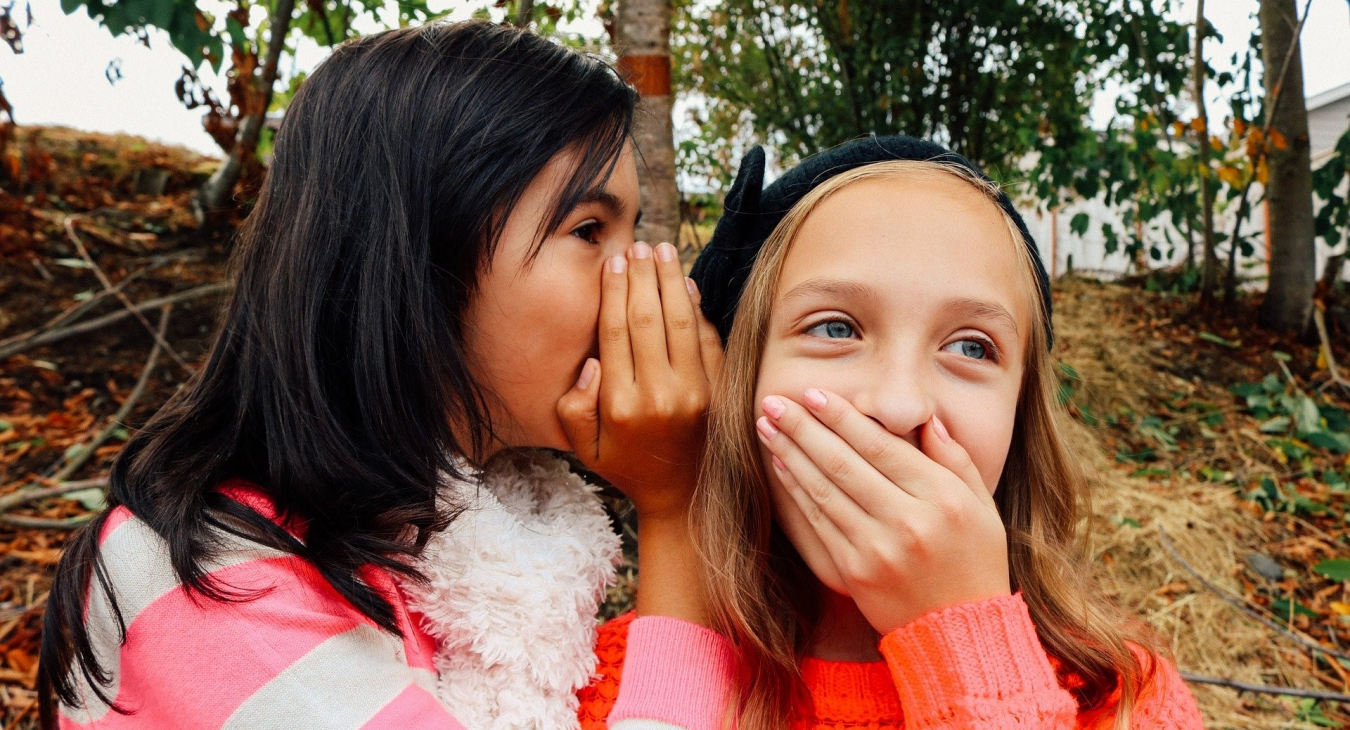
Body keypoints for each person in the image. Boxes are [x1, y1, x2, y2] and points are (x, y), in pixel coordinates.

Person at [38, 21, 720, 730]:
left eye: (636, 234)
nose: (643, 280)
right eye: (589, 231)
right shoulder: (208, 585)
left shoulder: (473, 531)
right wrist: (678, 512)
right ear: (419, 261)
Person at [578, 136, 1206, 729]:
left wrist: (969, 647)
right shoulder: (599, 684)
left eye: (971, 346)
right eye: (835, 328)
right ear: (736, 382)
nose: (899, 406)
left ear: (1022, 412)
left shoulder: (1126, 698)